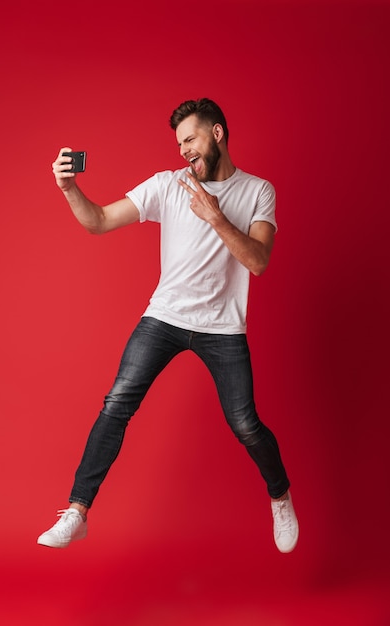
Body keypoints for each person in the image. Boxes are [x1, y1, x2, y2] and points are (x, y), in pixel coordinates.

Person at [37, 98, 299, 553]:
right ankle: (77, 512)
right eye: (179, 144)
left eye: (191, 140)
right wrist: (68, 188)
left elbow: (258, 262)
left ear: (217, 133)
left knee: (244, 423)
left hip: (223, 328)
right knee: (116, 403)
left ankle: (280, 496)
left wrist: (214, 215)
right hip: (166, 317)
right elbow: (98, 221)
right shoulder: (168, 184)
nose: (183, 152)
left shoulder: (259, 192)